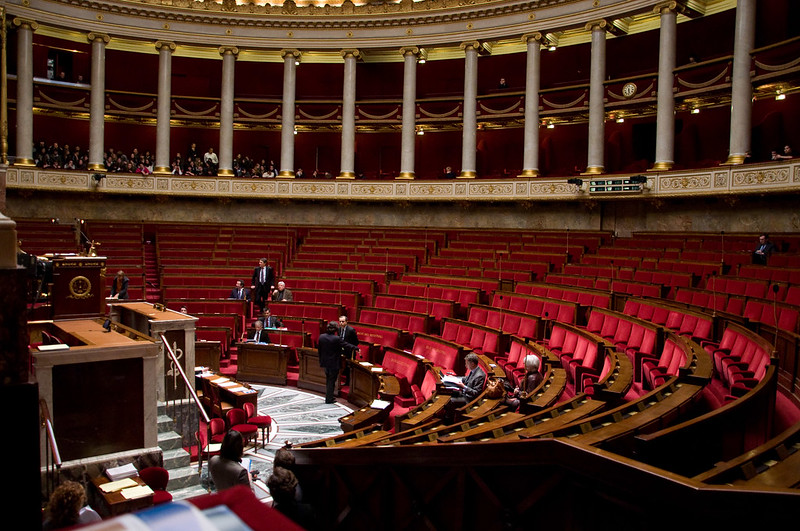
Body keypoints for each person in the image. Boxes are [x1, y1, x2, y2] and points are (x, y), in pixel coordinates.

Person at [318, 321, 357, 404]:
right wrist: (356, 348)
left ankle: (329, 396)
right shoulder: (336, 339)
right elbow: (346, 345)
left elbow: (319, 350)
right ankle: (329, 399)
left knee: (329, 379)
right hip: (333, 363)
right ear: (335, 330)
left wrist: (321, 360)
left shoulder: (321, 337)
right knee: (331, 380)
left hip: (325, 362)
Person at [443, 353, 486, 421]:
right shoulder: (474, 370)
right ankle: (447, 415)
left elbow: (476, 393)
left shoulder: (479, 375)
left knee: (450, 401)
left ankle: (448, 420)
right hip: (464, 392)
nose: (465, 365)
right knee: (446, 391)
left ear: (472, 364)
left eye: (467, 363)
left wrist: (464, 387)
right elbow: (466, 378)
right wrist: (454, 377)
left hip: (469, 398)